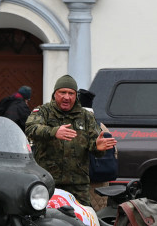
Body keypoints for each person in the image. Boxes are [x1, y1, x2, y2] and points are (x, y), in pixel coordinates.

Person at [25, 74, 116, 207]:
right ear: (55, 94)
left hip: (78, 185)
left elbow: (94, 143)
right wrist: (54, 131)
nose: (67, 97)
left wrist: (97, 147)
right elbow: (30, 128)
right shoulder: (43, 111)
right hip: (48, 181)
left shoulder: (86, 116)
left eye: (71, 93)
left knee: (82, 217)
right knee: (45, 217)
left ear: (75, 96)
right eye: (62, 92)